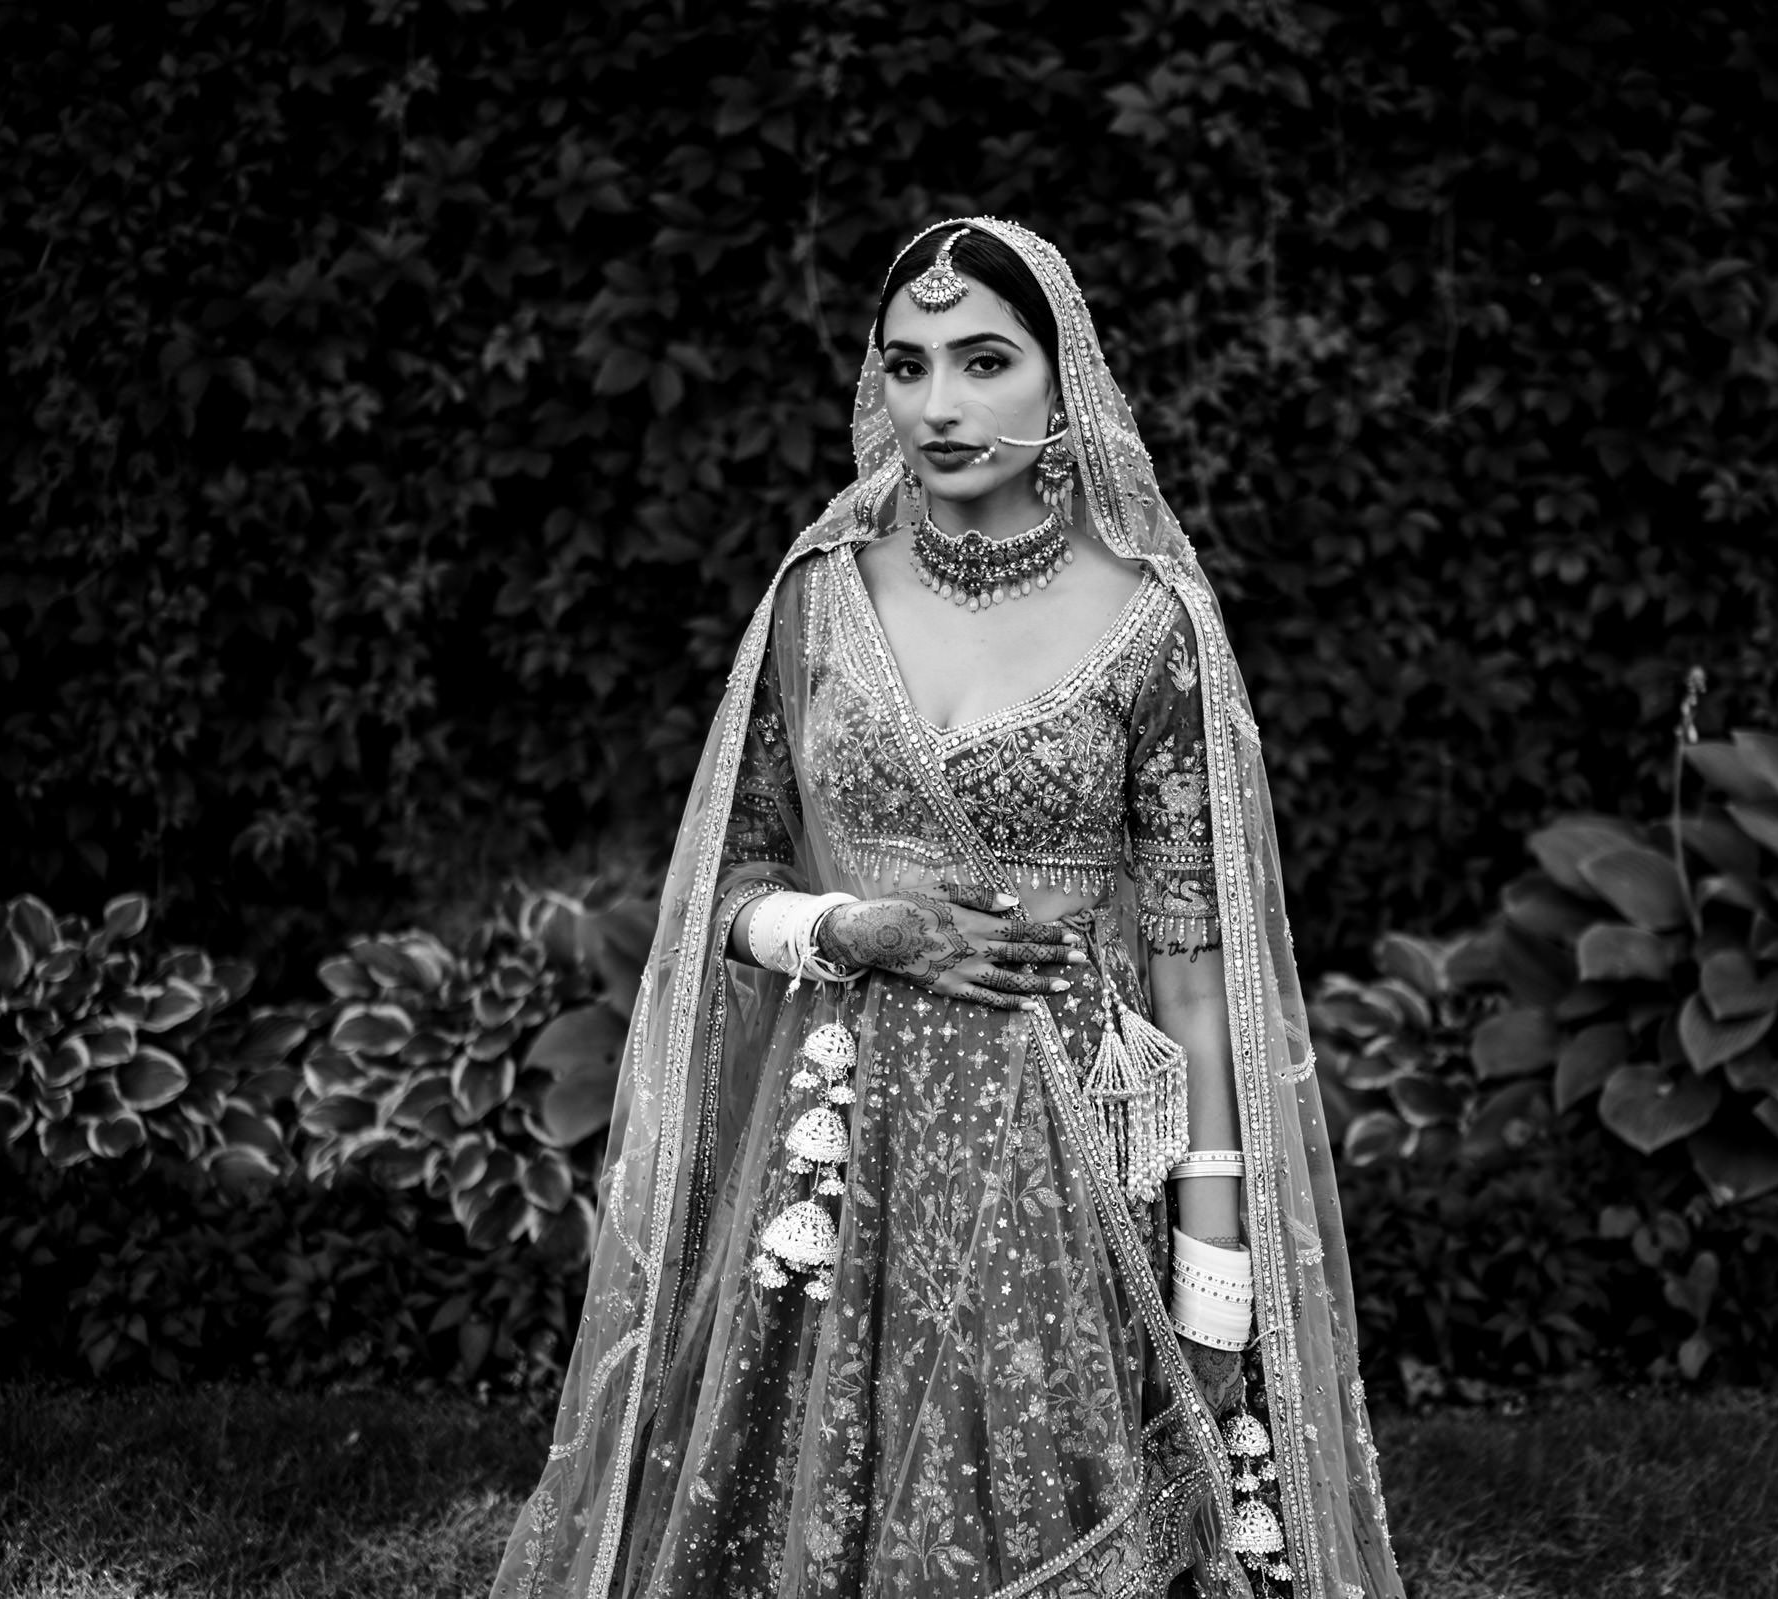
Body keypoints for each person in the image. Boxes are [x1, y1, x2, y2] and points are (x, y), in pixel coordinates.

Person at [492, 218, 1404, 1599]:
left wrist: (1217, 1274)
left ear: (1065, 385)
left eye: (984, 360)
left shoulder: (1151, 625)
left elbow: (1198, 966)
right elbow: (721, 894)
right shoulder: (816, 605)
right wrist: (852, 930)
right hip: (840, 1158)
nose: (941, 404)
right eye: (908, 365)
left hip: (1072, 1167)